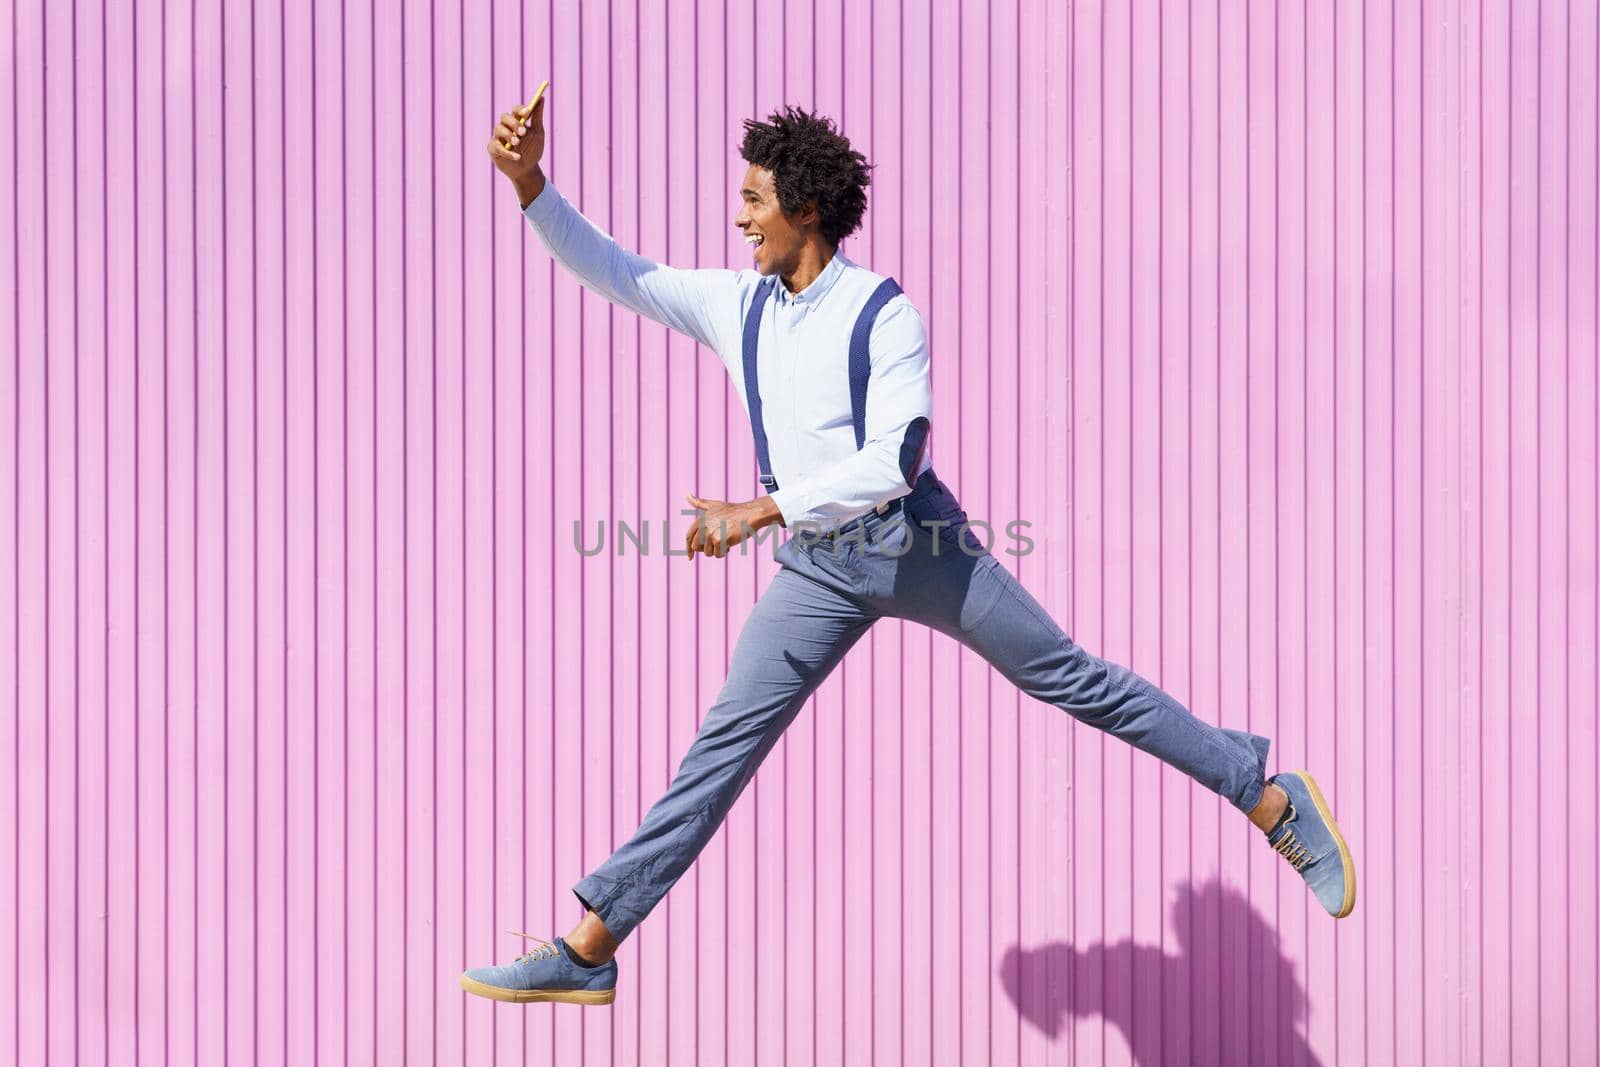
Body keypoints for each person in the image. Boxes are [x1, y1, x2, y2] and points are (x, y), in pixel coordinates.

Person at [460, 94, 1356, 1007]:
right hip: (815, 571)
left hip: (912, 543)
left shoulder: (884, 314)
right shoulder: (741, 305)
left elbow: (893, 460)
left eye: (753, 199)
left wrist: (761, 509)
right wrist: (530, 182)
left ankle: (1268, 795)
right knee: (719, 752)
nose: (739, 218)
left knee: (1073, 679)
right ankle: (589, 946)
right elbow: (619, 271)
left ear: (803, 209)